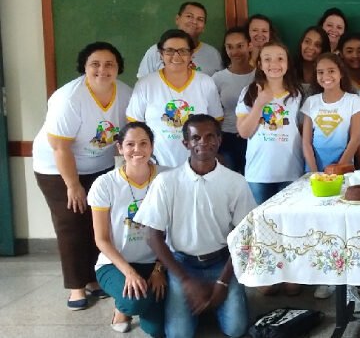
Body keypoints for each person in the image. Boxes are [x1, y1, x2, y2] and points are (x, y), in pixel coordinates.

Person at [135, 115, 257, 338]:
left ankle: (211, 302)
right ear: (186, 143)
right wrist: (185, 280)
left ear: (219, 140)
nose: (204, 142)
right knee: (178, 335)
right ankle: (201, 304)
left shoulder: (235, 182)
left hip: (222, 262)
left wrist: (222, 282)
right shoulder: (166, 182)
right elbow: (152, 235)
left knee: (236, 329)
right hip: (183, 264)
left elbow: (245, 236)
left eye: (211, 136)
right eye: (196, 137)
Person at [32, 42, 132, 310]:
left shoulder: (124, 94)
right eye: (95, 64)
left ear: (118, 67)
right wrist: (73, 185)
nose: (103, 70)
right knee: (71, 223)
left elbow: (128, 135)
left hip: (98, 165)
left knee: (98, 223)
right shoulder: (69, 98)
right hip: (57, 168)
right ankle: (77, 287)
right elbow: (59, 147)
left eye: (109, 64)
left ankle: (95, 278)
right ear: (84, 68)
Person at [89, 122, 166, 336]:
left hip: (154, 262)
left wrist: (159, 269)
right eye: (130, 144)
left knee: (157, 330)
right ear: (119, 148)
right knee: (134, 303)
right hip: (115, 264)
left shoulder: (167, 178)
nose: (137, 150)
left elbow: (173, 231)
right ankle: (122, 307)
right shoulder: (104, 184)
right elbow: (102, 239)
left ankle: (144, 300)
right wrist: (130, 273)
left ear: (152, 146)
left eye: (144, 143)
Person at [127, 30, 224, 168]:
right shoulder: (145, 84)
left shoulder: (206, 82)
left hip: (198, 165)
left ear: (191, 54)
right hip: (157, 165)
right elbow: (134, 125)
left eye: (183, 51)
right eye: (170, 51)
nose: (176, 56)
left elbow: (216, 122)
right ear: (161, 54)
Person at [236, 41, 305, 203]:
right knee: (258, 223)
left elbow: (304, 133)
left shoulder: (298, 94)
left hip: (290, 172)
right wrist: (259, 103)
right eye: (267, 59)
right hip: (258, 174)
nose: (274, 64)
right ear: (259, 64)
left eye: (280, 59)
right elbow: (244, 132)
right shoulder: (250, 92)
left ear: (288, 63)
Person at [300, 53, 360, 173]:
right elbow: (306, 142)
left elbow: (355, 139)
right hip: (314, 169)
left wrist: (338, 169)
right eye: (320, 72)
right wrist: (314, 172)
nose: (326, 76)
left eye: (331, 71)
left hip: (343, 169)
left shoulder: (353, 101)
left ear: (341, 73)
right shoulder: (311, 102)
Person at [137, 2, 223, 78]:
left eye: (200, 19)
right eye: (189, 16)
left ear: (204, 26)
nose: (194, 22)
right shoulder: (156, 51)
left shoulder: (213, 54)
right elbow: (143, 86)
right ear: (177, 19)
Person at [212, 27, 255, 174]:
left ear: (250, 45)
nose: (235, 52)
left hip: (254, 137)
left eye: (240, 46)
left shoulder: (260, 76)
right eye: (229, 47)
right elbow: (211, 112)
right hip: (226, 138)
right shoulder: (218, 78)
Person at [295, 25, 329, 92]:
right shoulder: (289, 68)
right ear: (301, 43)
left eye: (317, 45)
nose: (311, 47)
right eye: (307, 41)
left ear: (323, 49)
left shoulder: (328, 73)